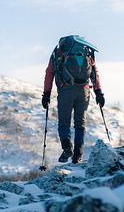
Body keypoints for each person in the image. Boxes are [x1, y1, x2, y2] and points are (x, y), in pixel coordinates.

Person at [41, 35, 106, 163]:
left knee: (64, 122)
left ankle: (67, 148)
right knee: (80, 123)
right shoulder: (86, 52)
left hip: (66, 90)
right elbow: (94, 72)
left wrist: (46, 94)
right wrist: (98, 92)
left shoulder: (58, 52)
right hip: (84, 91)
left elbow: (49, 73)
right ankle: (78, 155)